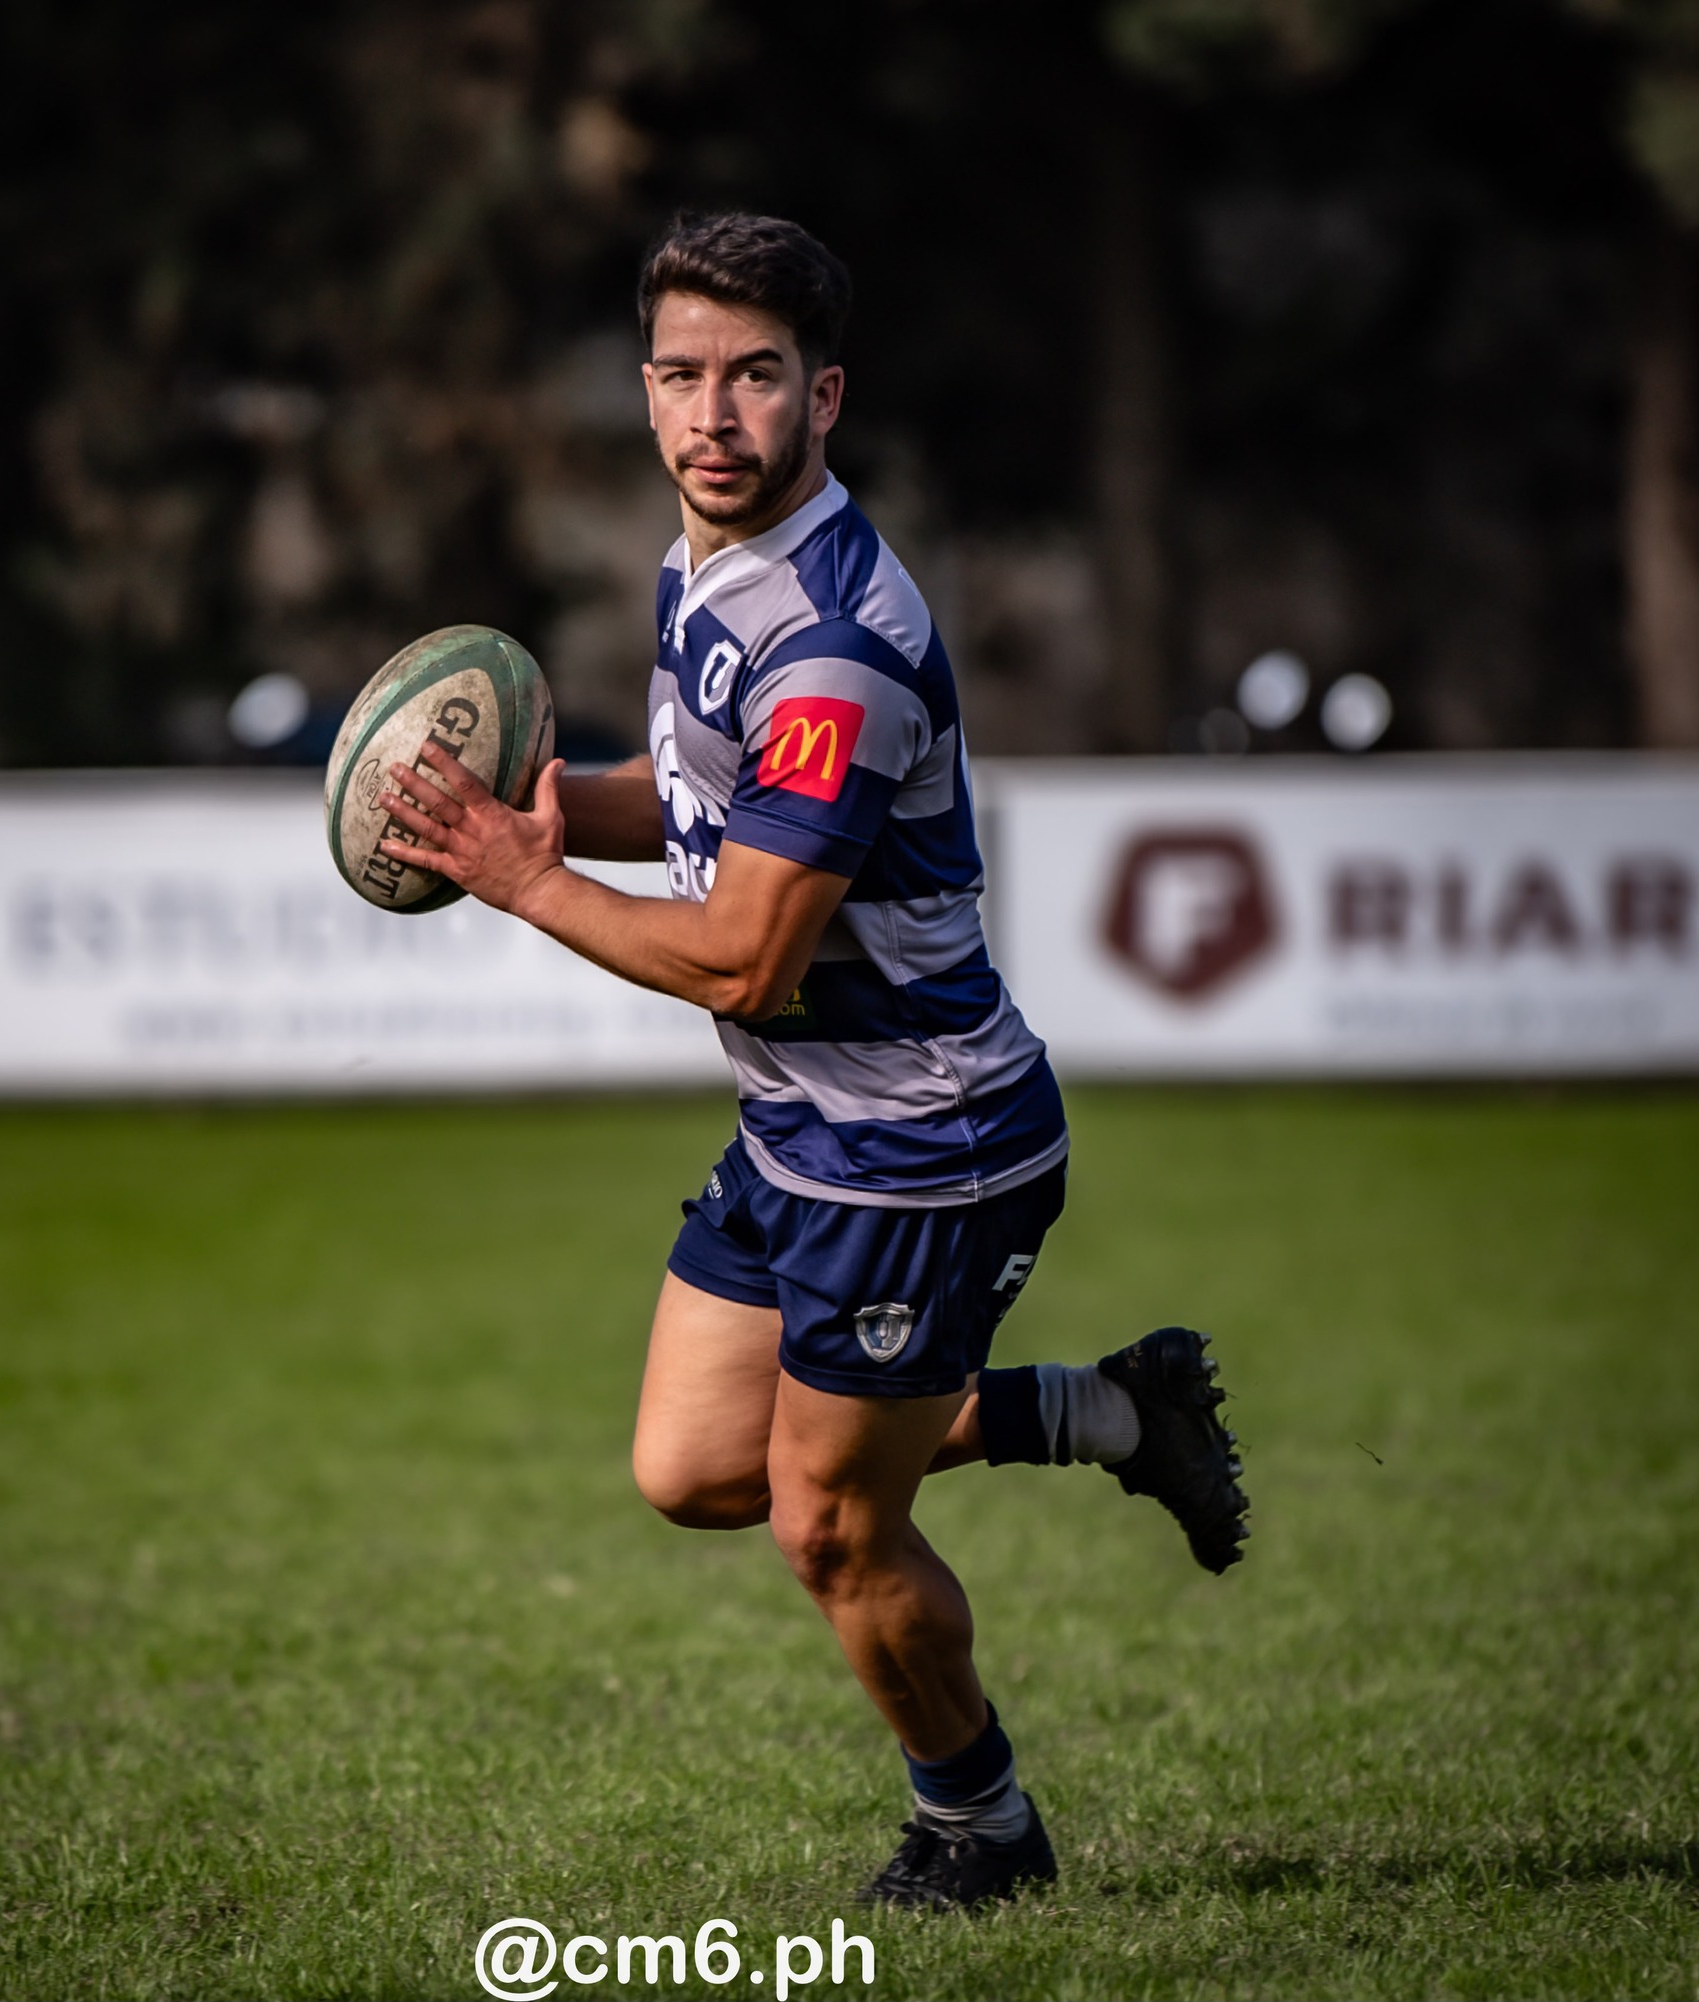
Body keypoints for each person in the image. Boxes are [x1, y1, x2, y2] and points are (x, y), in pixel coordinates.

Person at [373, 211, 1249, 1910]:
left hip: (925, 1149)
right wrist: (545, 811)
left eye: (756, 377)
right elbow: (702, 802)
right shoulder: (704, 563)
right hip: (802, 1132)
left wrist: (521, 876)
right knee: (695, 1467)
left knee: (828, 1525)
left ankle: (980, 1832)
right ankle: (1117, 1408)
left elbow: (748, 951)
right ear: (647, 395)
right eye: (686, 376)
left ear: (822, 395)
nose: (717, 414)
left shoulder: (839, 642)